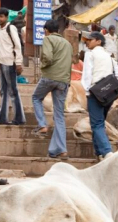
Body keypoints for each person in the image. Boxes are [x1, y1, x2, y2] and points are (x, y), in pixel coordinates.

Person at [31, 19, 72, 159]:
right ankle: (61, 150)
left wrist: (43, 66)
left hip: (49, 77)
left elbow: (47, 57)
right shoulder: (67, 43)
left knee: (36, 98)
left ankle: (42, 124)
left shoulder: (48, 39)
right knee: (59, 116)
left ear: (46, 30)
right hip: (64, 81)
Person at [81, 32, 118, 161]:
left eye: (89, 40)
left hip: (95, 93)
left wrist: (88, 91)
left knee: (97, 124)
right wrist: (113, 89)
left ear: (98, 41)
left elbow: (87, 74)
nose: (86, 42)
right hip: (109, 95)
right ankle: (98, 152)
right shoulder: (109, 56)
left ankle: (107, 151)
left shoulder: (90, 54)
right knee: (99, 122)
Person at [0, 7, 25, 125]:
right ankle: (2, 118)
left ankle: (19, 118)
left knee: (13, 91)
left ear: (6, 17)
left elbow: (17, 46)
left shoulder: (11, 28)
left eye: (1, 16)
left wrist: (19, 63)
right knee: (3, 91)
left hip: (10, 63)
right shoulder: (1, 30)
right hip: (3, 63)